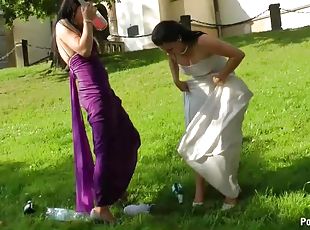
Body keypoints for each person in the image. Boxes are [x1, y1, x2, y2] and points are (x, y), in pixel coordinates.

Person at [151, 21, 253, 210]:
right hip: (195, 93)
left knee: (222, 141)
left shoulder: (203, 42)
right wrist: (176, 79)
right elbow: (172, 60)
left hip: (222, 90)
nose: (169, 53)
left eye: (171, 48)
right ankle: (200, 191)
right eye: (165, 50)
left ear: (179, 38)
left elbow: (238, 54)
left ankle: (230, 193)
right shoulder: (172, 51)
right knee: (196, 142)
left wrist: (222, 75)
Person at [55, 0, 140, 223]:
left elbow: (103, 27)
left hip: (105, 92)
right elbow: (83, 49)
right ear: (72, 9)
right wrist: (89, 21)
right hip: (93, 94)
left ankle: (115, 190)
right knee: (104, 148)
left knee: (129, 138)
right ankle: (101, 207)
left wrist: (91, 18)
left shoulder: (83, 25)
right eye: (82, 6)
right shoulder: (62, 26)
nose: (86, 9)